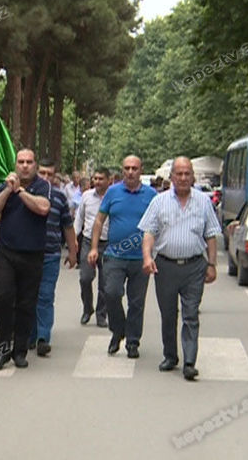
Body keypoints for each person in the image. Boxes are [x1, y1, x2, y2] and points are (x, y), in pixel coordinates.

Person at [138, 157, 220, 381]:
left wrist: (212, 265)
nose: (183, 178)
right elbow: (149, 232)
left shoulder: (203, 202)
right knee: (168, 314)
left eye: (187, 174)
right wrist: (147, 257)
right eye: (179, 174)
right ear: (172, 177)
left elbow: (211, 235)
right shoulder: (159, 202)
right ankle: (170, 355)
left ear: (193, 176)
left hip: (194, 267)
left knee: (191, 314)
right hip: (165, 266)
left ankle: (190, 361)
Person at [0, 148, 51, 370]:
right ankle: (3, 349)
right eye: (21, 162)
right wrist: (8, 190)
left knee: (26, 303)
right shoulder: (4, 186)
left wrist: (20, 191)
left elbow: (43, 208)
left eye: (29, 162)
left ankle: (20, 350)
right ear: (15, 164)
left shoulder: (43, 186)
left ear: (35, 165)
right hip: (6, 252)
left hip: (33, 254)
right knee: (3, 297)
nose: (24, 166)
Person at [88, 155, 156, 358]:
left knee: (136, 302)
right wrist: (93, 248)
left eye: (134, 168)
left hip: (140, 258)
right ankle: (118, 330)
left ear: (141, 170)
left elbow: (159, 223)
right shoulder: (113, 192)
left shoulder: (151, 195)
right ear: (122, 170)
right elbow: (99, 220)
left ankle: (133, 342)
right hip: (114, 255)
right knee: (111, 292)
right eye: (127, 168)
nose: (130, 172)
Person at [29, 159, 76, 356]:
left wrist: (73, 252)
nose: (46, 177)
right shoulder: (27, 194)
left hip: (50, 254)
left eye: (50, 174)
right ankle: (30, 335)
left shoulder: (59, 197)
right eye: (42, 173)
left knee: (45, 296)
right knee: (28, 296)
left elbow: (67, 225)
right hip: (27, 254)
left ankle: (43, 337)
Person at [75, 168, 110, 327]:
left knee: (105, 283)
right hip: (88, 242)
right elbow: (79, 217)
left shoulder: (113, 196)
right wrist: (74, 238)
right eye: (95, 178)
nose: (97, 182)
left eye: (101, 178)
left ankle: (101, 314)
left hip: (108, 243)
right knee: (85, 278)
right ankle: (87, 308)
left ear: (108, 180)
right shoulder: (86, 196)